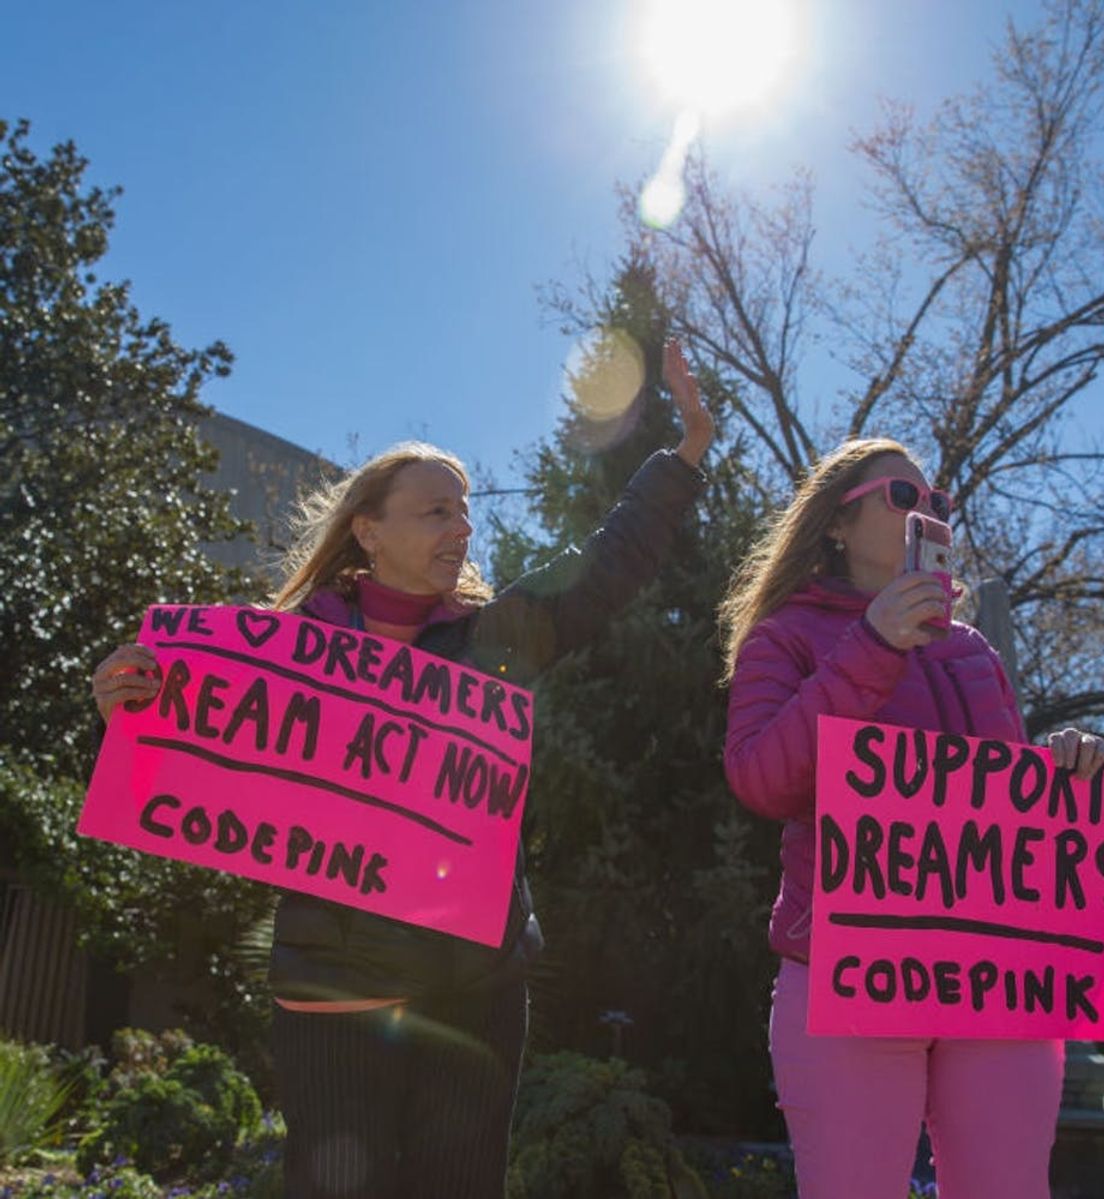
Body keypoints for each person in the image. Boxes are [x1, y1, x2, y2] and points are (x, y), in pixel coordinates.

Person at [91, 340, 714, 1199]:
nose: (461, 527)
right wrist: (132, 698)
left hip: (473, 988)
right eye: (434, 511)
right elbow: (182, 740)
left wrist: (681, 457)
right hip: (333, 985)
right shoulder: (278, 657)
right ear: (368, 529)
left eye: (464, 512)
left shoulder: (497, 642)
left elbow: (606, 567)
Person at [720, 437, 1104, 1199]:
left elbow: (1006, 811)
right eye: (904, 497)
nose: (926, 513)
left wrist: (1062, 767)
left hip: (996, 979)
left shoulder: (974, 651)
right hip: (851, 970)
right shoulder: (786, 636)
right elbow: (761, 777)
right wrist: (873, 645)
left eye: (937, 504)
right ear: (836, 522)